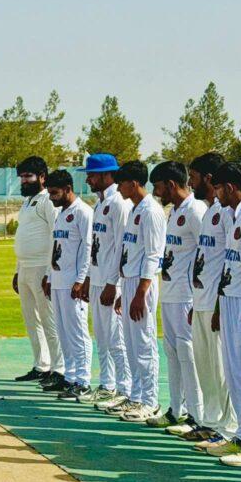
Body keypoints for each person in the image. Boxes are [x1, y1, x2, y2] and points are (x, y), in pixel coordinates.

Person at [147, 161, 206, 433]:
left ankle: (197, 416)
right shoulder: (174, 212)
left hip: (186, 296)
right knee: (171, 352)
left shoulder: (196, 211)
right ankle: (176, 409)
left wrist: (198, 296)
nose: (157, 193)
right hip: (170, 294)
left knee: (188, 354)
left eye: (159, 187)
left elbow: (204, 256)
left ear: (171, 184)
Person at [186, 153, 236, 448]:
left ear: (208, 178)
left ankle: (226, 427)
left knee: (221, 368)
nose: (190, 183)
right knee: (205, 365)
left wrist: (218, 304)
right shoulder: (208, 211)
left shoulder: (227, 212)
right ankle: (211, 421)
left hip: (219, 303)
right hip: (201, 299)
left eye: (193, 177)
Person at [111, 161, 165, 423]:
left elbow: (154, 255)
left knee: (144, 343)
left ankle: (150, 401)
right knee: (132, 344)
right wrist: (126, 290)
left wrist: (140, 293)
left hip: (143, 283)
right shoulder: (135, 210)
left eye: (121, 183)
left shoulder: (152, 211)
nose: (118, 188)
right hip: (131, 282)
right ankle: (136, 395)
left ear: (133, 183)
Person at [79, 153, 131, 412]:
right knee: (102, 336)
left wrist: (114, 283)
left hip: (113, 282)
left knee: (116, 338)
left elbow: (123, 246)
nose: (88, 179)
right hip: (98, 279)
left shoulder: (120, 203)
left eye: (91, 174)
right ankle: (107, 384)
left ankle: (125, 389)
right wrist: (89, 278)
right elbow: (96, 247)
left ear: (106, 175)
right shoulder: (100, 204)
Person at [42, 170, 93, 400]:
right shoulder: (60, 213)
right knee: (63, 332)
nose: (51, 197)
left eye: (54, 193)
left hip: (74, 283)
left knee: (78, 333)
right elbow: (55, 246)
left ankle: (83, 381)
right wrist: (49, 276)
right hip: (58, 282)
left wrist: (81, 280)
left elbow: (88, 248)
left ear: (68, 189)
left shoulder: (83, 212)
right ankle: (70, 376)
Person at [13, 156, 62, 385]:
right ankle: (41, 364)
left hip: (43, 268)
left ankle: (58, 368)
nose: (23, 181)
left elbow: (56, 235)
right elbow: (23, 236)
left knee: (49, 320)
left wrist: (50, 273)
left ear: (42, 177)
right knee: (31, 320)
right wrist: (17, 269)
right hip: (25, 267)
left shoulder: (47, 201)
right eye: (21, 177)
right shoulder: (27, 202)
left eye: (28, 176)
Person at [210, 162, 241, 462]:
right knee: (234, 370)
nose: (216, 194)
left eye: (218, 188)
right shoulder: (234, 215)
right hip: (230, 296)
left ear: (229, 187)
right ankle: (240, 436)